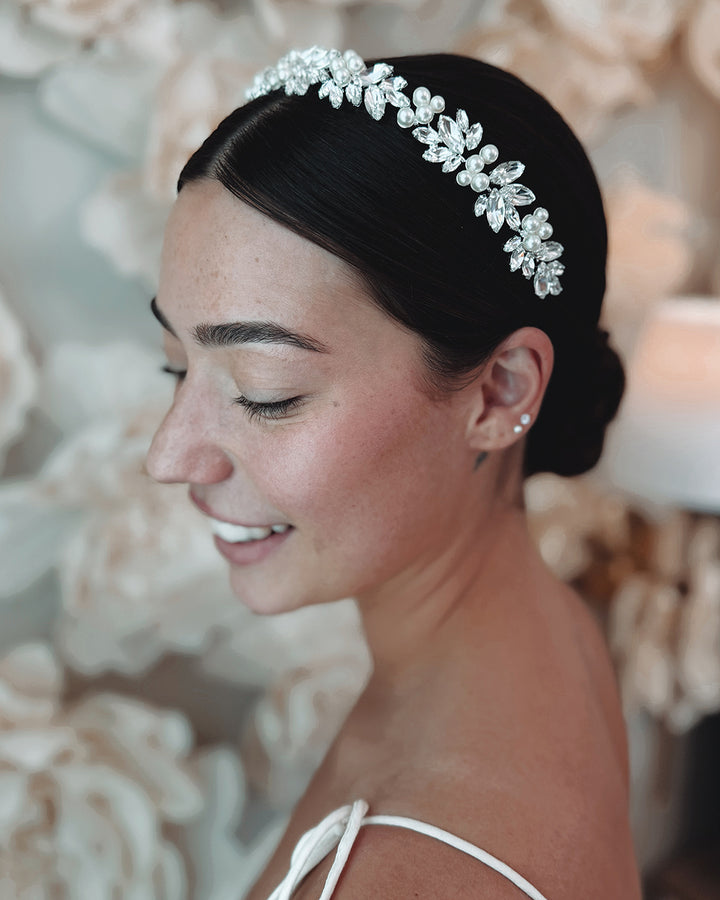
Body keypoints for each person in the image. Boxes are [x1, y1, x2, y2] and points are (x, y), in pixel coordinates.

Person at [145, 48, 642, 899]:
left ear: (498, 390)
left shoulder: (412, 874)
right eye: (173, 366)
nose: (167, 456)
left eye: (267, 394)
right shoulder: (542, 631)